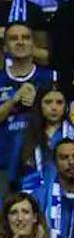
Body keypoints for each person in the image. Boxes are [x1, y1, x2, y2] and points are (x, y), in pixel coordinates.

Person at [0, 22, 57, 186]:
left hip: (43, 164)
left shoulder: (51, 77)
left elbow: (61, 116)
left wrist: (38, 103)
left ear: (34, 44)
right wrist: (13, 101)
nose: (20, 42)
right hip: (3, 163)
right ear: (5, 47)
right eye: (13, 38)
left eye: (25, 38)